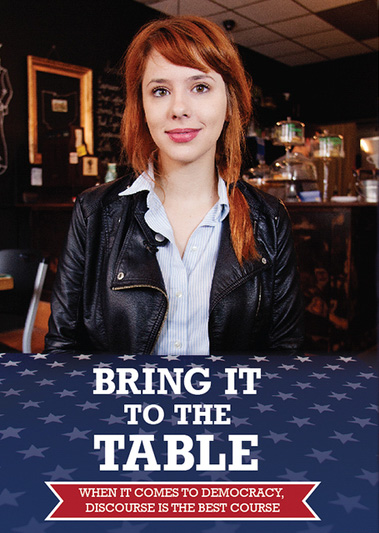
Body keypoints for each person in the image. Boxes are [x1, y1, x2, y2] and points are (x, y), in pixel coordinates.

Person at [45, 15, 304, 355]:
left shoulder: (269, 219)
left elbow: (286, 356)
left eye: (200, 87)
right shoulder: (93, 213)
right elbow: (62, 352)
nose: (178, 108)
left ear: (229, 103)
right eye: (161, 90)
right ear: (142, 106)